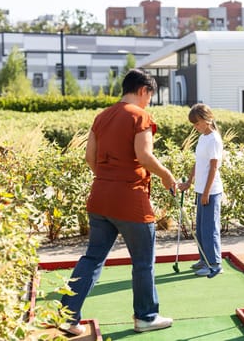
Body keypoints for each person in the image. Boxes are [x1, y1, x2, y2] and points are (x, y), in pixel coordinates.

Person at [59, 69, 177, 335]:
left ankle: (68, 316)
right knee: (143, 261)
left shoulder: (101, 117)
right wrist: (167, 176)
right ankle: (146, 317)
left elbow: (90, 157)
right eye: (150, 96)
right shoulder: (141, 116)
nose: (149, 101)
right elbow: (144, 155)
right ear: (144, 90)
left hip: (100, 197)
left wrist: (109, 178)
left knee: (92, 257)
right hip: (130, 199)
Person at [178, 103, 224, 276]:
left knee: (209, 228)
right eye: (194, 125)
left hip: (211, 191)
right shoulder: (203, 137)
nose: (196, 127)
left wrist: (206, 193)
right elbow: (198, 163)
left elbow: (213, 168)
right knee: (200, 229)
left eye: (197, 123)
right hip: (201, 190)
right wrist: (189, 182)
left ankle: (214, 264)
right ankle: (204, 259)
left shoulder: (213, 139)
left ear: (208, 119)